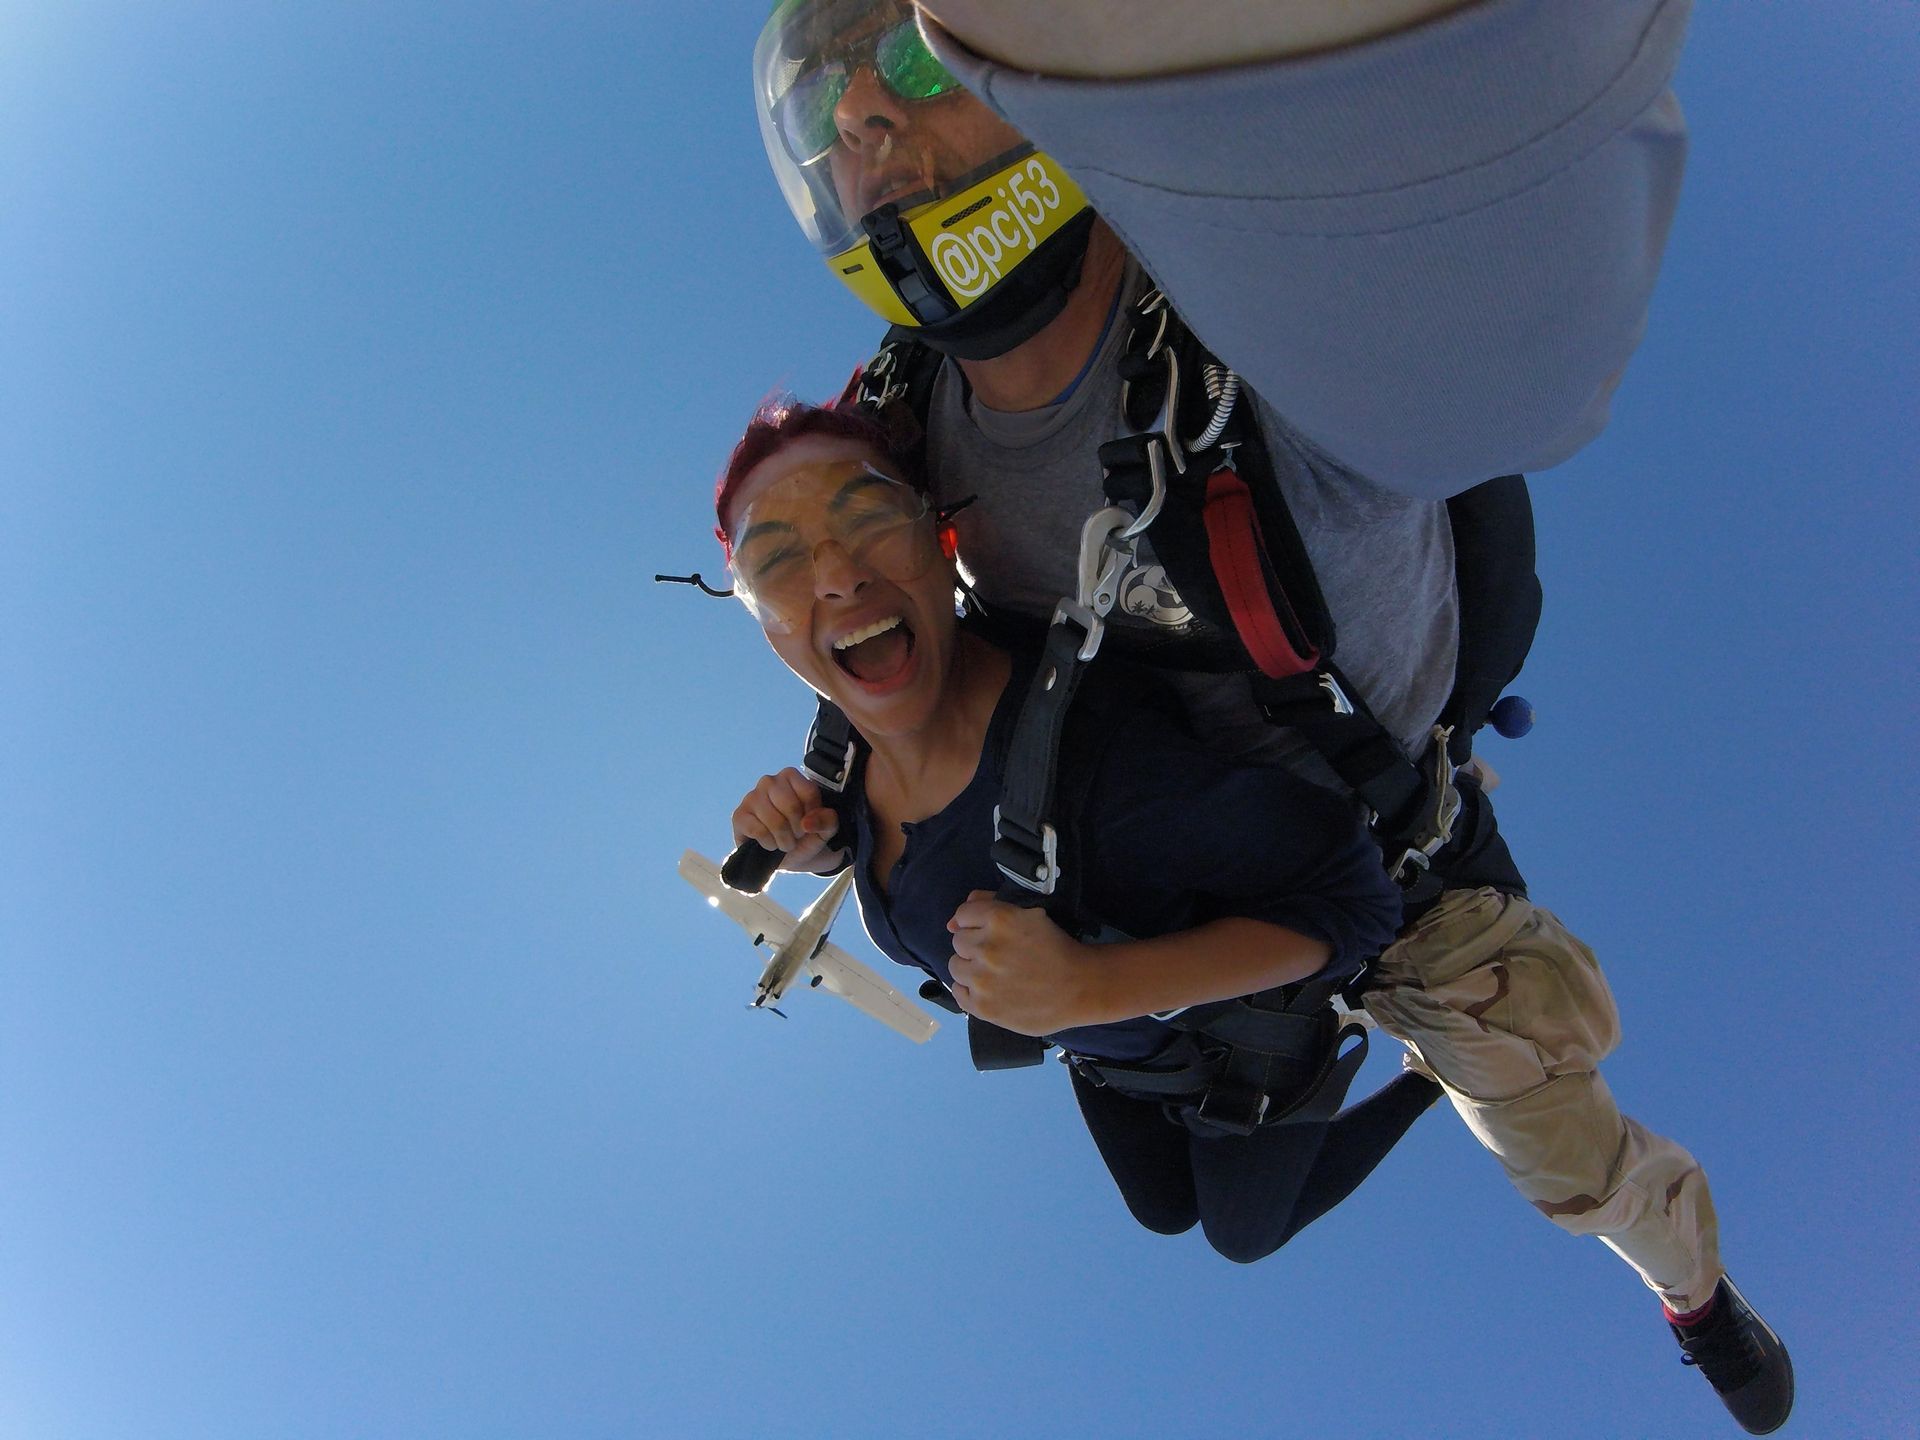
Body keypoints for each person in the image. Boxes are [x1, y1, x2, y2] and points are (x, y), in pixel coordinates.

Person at [742, 0, 1793, 1431]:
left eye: (915, 66)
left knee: (1574, 1161)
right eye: (825, 112)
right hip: (1157, 877)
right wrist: (829, 799)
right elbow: (862, 607)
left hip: (1399, 871)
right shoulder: (905, 417)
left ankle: (1696, 1298)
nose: (862, 122)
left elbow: (1476, 218)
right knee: (1188, 1196)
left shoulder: (1285, 319)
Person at [718, 396, 1438, 1263]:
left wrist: (1093, 986)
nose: (835, 577)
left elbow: (1357, 901)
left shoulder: (1110, 775)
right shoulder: (840, 756)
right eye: (778, 564)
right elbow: (923, 840)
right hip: (1104, 1057)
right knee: (1161, 1210)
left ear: (943, 543)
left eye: (868, 516)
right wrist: (822, 845)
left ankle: (1425, 1084)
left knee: (1242, 1232)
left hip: (1226, 1048)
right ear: (763, 624)